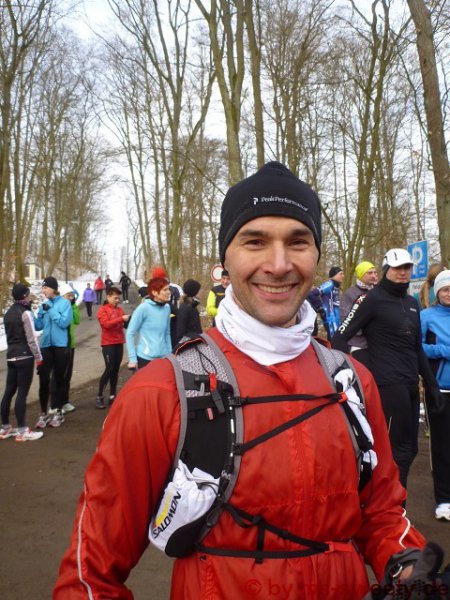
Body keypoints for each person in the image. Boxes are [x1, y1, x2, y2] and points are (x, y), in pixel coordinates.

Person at [56, 162, 432, 599]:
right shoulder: (160, 392)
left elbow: (382, 514)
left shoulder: (352, 382)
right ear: (225, 260)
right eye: (255, 241)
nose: (278, 264)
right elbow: (89, 578)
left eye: (298, 242)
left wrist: (409, 566)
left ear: (316, 255)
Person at [332, 248, 443, 490]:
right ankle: (392, 503)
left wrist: (432, 385)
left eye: (407, 267)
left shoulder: (411, 303)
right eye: (397, 268)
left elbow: (417, 347)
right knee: (395, 449)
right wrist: (360, 367)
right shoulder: (371, 299)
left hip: (410, 383)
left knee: (410, 449)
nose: (403, 272)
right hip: (387, 384)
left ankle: (395, 501)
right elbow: (340, 336)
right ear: (386, 270)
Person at [420, 269, 450, 522]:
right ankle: (444, 500)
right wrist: (443, 350)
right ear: (437, 292)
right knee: (442, 446)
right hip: (439, 389)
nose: (449, 294)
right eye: (445, 289)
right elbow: (416, 347)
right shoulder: (426, 316)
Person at [0, 284, 43, 442]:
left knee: (9, 391)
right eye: (28, 294)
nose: (30, 296)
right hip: (25, 356)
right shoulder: (25, 313)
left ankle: (5, 427)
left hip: (11, 355)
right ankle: (22, 430)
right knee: (22, 392)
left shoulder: (8, 313)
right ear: (24, 296)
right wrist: (38, 357)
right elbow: (31, 338)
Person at [34, 277, 72, 429]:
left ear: (54, 288)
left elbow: (64, 323)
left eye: (46, 288)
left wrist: (50, 310)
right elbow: (38, 326)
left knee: (59, 379)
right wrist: (33, 314)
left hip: (60, 346)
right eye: (42, 288)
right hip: (45, 345)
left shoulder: (65, 303)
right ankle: (43, 413)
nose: (43, 290)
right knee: (43, 380)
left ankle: (59, 412)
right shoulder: (44, 304)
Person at [125, 273, 171, 369]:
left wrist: (170, 353)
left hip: (163, 357)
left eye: (168, 289)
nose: (169, 292)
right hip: (145, 358)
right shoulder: (143, 308)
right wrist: (132, 359)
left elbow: (167, 333)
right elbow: (130, 333)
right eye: (165, 290)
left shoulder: (167, 308)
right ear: (154, 292)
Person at [95, 286, 130, 409]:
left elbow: (126, 325)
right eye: (115, 298)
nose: (117, 300)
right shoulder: (102, 310)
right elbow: (106, 324)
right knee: (109, 369)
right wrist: (121, 319)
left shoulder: (120, 310)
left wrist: (130, 320)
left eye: (118, 298)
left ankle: (112, 395)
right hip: (108, 343)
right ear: (108, 297)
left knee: (115, 370)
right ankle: (99, 396)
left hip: (119, 342)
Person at [339, 261, 378, 368]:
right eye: (369, 273)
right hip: (358, 345)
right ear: (361, 275)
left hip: (377, 344)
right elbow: (345, 320)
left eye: (375, 272)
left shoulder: (378, 292)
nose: (374, 275)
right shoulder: (350, 294)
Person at [50, 283, 80, 414]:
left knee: (67, 375)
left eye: (72, 296)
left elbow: (77, 320)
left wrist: (73, 306)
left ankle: (64, 401)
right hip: (58, 346)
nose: (71, 298)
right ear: (62, 296)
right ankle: (53, 405)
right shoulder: (57, 307)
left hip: (70, 345)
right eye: (69, 296)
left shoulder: (71, 307)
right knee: (57, 376)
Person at [319, 266, 344, 339]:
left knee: (335, 339)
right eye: (341, 274)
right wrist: (319, 308)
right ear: (334, 275)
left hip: (335, 318)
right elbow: (314, 293)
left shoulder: (336, 286)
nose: (343, 276)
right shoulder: (329, 284)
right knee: (334, 339)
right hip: (329, 317)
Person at [175, 279, 202, 344]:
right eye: (199, 290)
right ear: (194, 292)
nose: (201, 292)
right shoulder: (185, 308)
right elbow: (180, 331)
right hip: (190, 344)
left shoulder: (192, 306)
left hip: (195, 342)